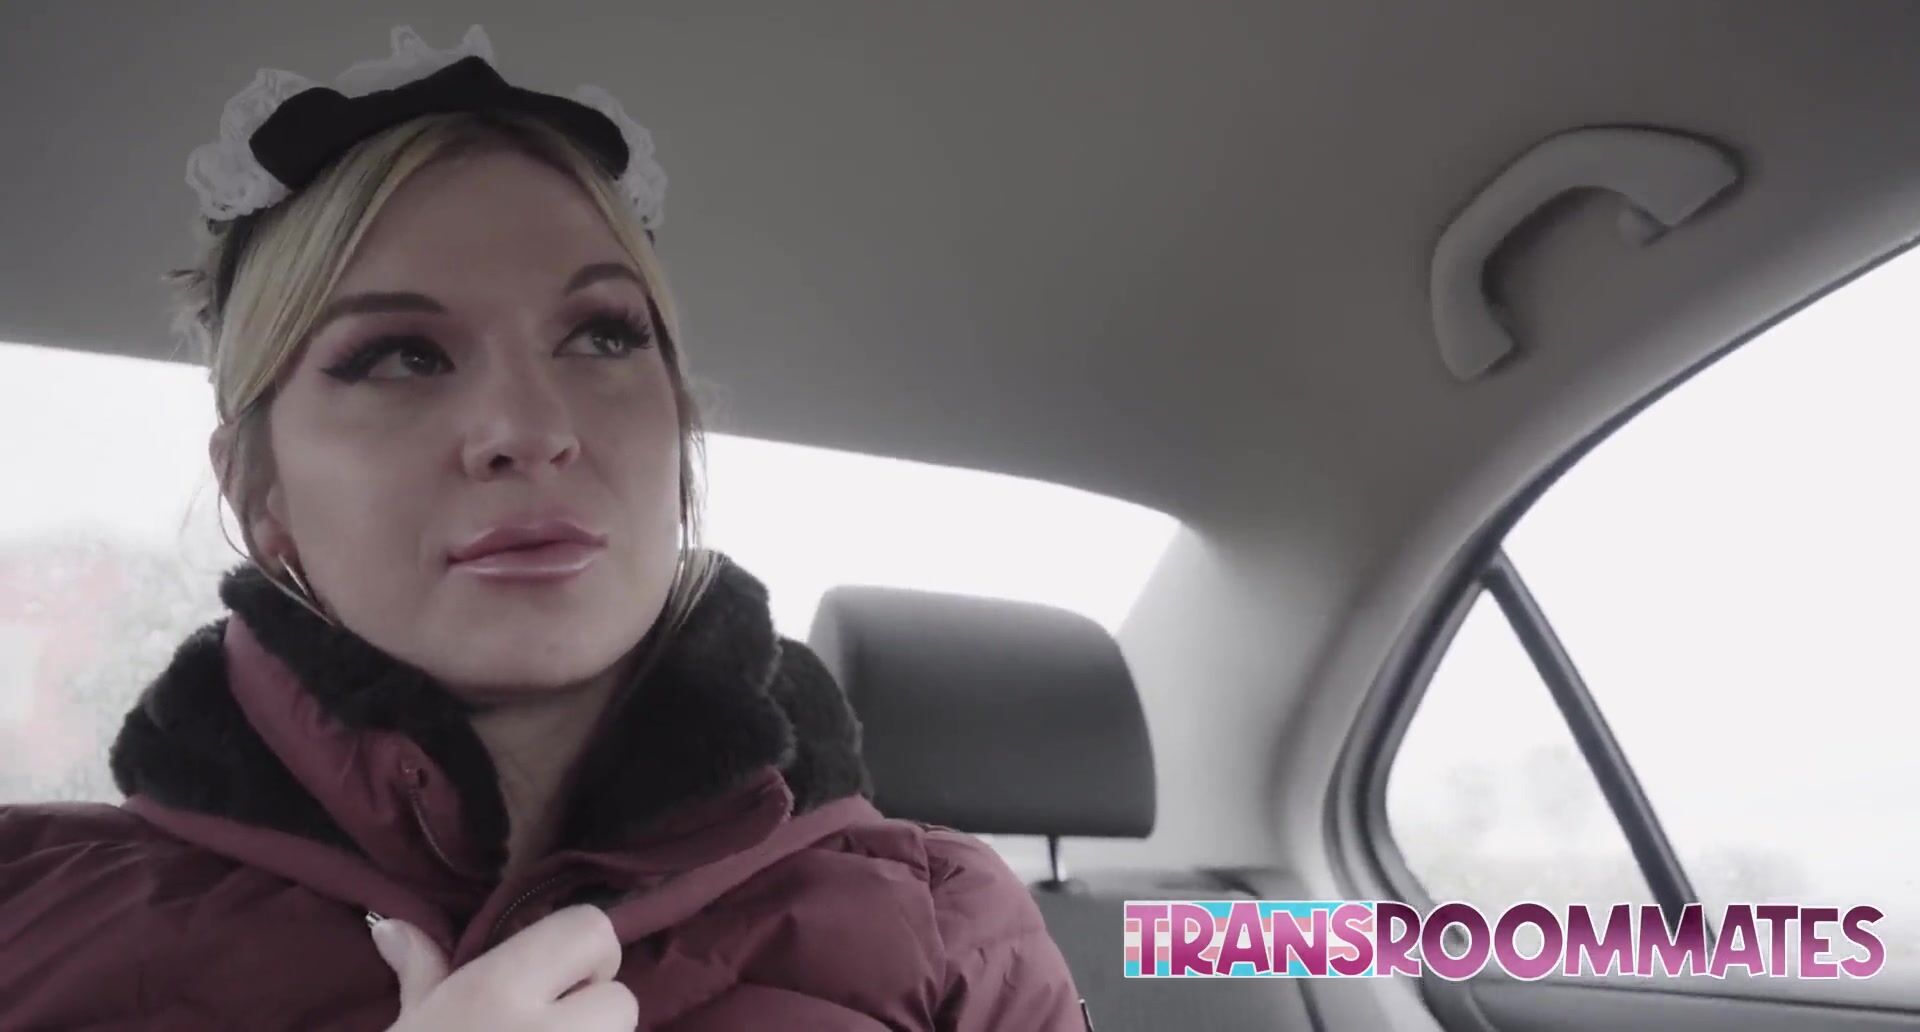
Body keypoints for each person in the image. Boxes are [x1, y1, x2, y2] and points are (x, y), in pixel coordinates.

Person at [0, 25, 1086, 1030]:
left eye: (604, 336)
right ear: (259, 489)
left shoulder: (956, 929)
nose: (530, 430)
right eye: (402, 356)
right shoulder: (25, 905)